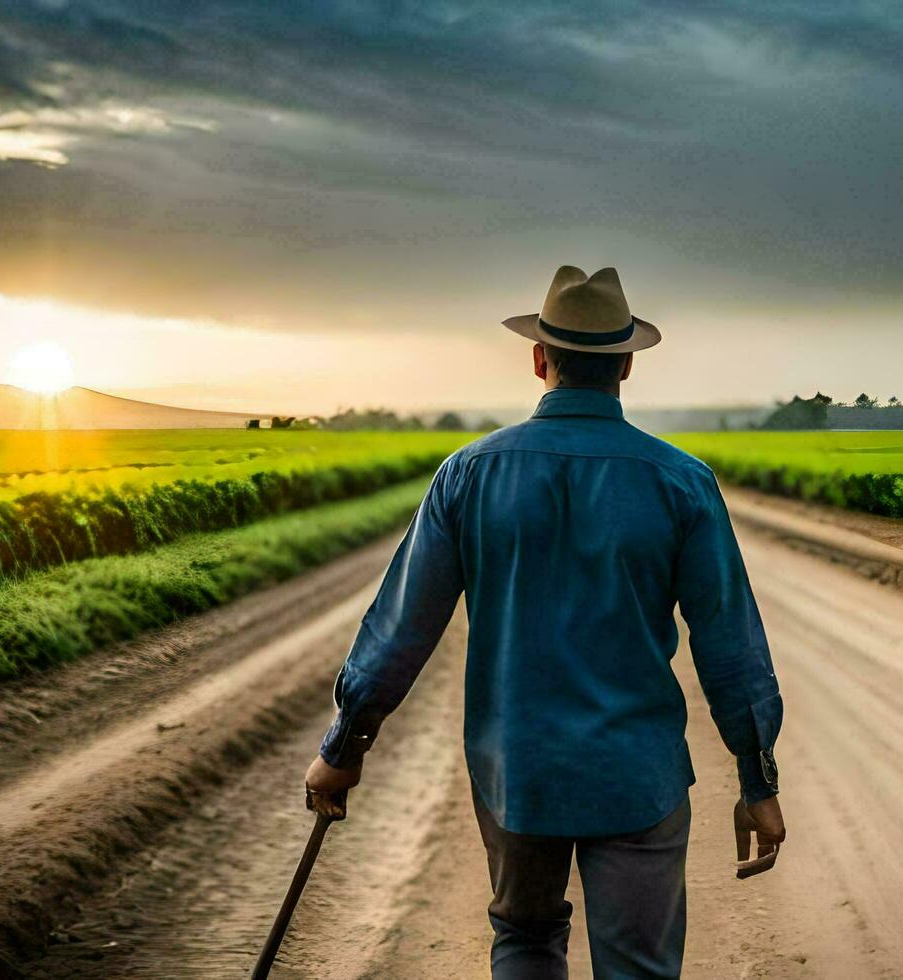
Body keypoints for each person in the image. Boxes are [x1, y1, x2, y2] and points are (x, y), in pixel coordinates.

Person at [305, 265, 785, 978]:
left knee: (525, 941)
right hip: (637, 777)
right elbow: (728, 640)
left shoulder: (468, 475)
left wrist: (344, 748)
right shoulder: (681, 482)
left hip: (518, 773)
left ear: (539, 358)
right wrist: (757, 777)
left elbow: (402, 627)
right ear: (626, 364)